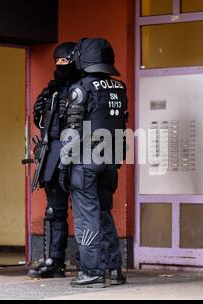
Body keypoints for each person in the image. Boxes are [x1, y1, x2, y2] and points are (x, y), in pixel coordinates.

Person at [58, 38, 128, 288]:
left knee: (86, 216)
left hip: (85, 162)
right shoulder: (119, 88)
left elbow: (72, 132)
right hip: (109, 160)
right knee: (104, 213)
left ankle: (91, 271)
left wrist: (64, 166)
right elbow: (122, 126)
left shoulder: (81, 88)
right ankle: (114, 269)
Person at [27, 42, 80, 279]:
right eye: (57, 62)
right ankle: (54, 261)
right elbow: (43, 126)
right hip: (53, 151)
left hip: (78, 150)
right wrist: (40, 112)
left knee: (83, 208)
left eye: (64, 62)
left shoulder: (83, 88)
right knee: (54, 210)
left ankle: (86, 260)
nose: (60, 66)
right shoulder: (51, 90)